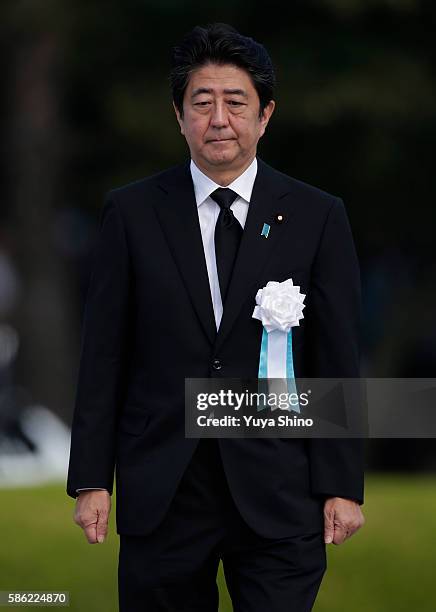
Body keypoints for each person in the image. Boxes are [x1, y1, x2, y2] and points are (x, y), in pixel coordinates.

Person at [67, 22, 365, 612]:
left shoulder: (316, 215)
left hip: (281, 488)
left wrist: (341, 485)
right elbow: (104, 352)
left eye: (236, 103)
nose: (219, 119)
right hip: (165, 487)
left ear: (265, 114)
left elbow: (335, 356)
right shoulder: (131, 213)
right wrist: (91, 478)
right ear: (179, 117)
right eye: (201, 103)